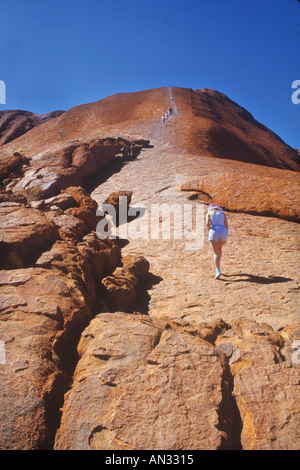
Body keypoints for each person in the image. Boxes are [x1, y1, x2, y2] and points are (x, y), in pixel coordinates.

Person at [206, 203, 228, 279]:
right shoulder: (223, 213)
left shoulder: (209, 213)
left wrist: (209, 231)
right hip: (223, 231)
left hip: (214, 231)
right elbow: (226, 224)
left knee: (215, 252)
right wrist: (226, 232)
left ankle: (218, 271)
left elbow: (207, 223)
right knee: (219, 248)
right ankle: (218, 262)